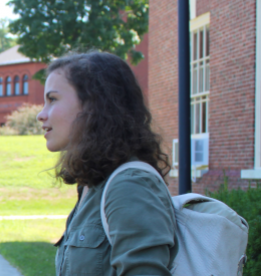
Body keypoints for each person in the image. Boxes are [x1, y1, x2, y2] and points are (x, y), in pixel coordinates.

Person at [37, 52, 177, 276]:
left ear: (93, 105)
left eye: (52, 99)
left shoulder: (130, 186)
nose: (40, 115)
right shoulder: (91, 185)